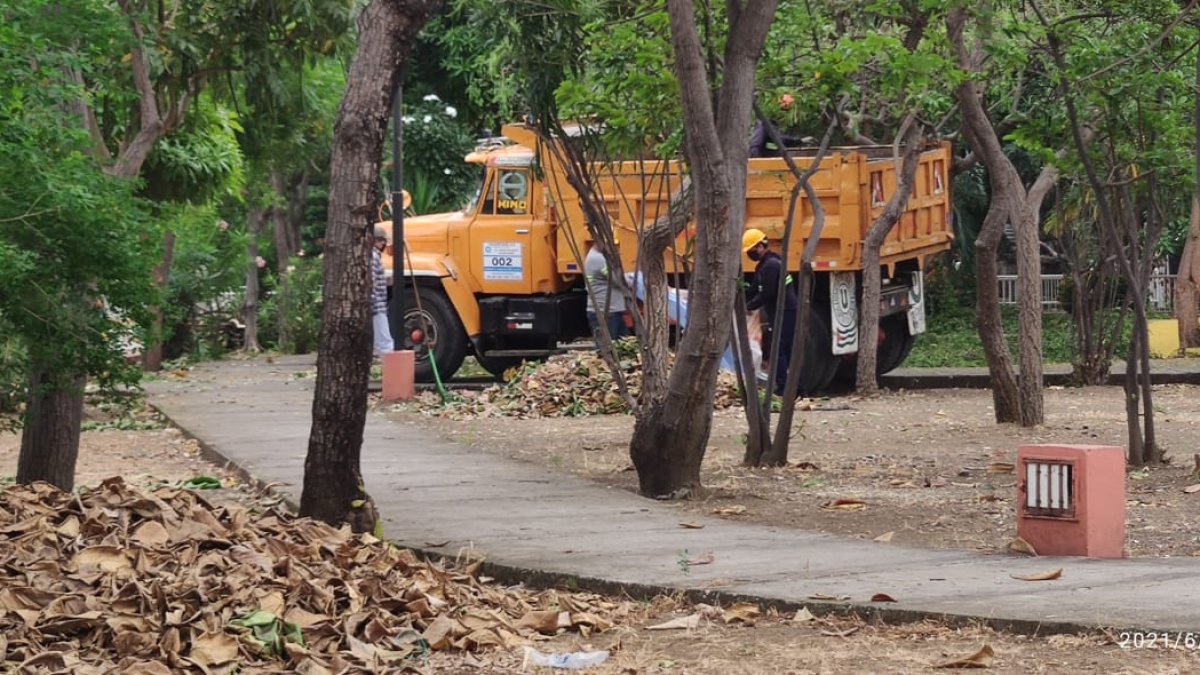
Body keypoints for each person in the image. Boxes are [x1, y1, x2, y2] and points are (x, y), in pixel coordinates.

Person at [743, 228, 798, 396]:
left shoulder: (771, 266)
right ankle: (794, 389)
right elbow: (755, 288)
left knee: (780, 350)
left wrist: (749, 306)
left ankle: (785, 390)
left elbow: (767, 293)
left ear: (761, 246)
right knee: (783, 350)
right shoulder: (766, 265)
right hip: (780, 311)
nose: (750, 254)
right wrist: (740, 294)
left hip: (785, 312)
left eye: (752, 250)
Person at [584, 238, 627, 344]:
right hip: (606, 311)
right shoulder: (598, 259)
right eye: (610, 244)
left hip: (609, 311)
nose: (613, 248)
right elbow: (617, 280)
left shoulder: (594, 256)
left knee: (622, 343)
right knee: (608, 347)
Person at [372, 224, 395, 358]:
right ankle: (394, 373)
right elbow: (372, 280)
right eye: (380, 240)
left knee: (382, 340)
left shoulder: (375, 256)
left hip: (378, 304)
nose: (383, 243)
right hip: (377, 305)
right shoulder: (373, 256)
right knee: (385, 343)